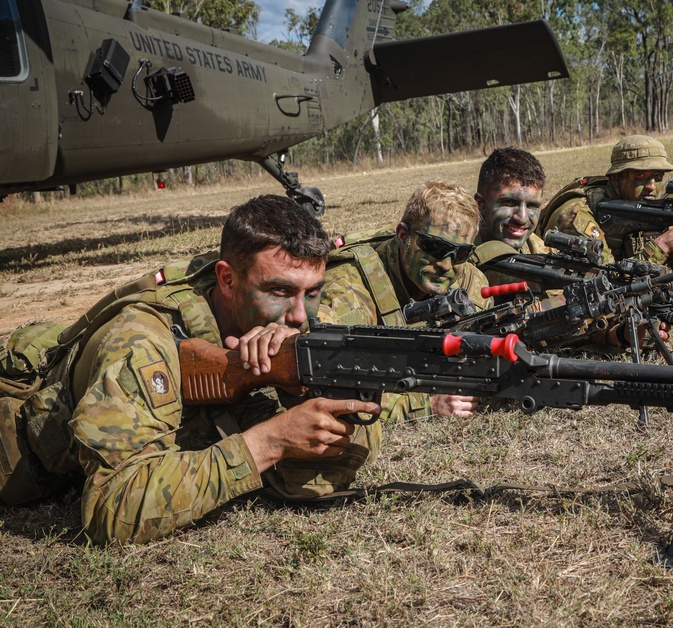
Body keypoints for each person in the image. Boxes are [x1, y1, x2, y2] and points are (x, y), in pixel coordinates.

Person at [35, 195, 379, 544]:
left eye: (313, 292)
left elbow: (336, 466)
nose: (300, 316)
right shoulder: (142, 341)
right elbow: (112, 510)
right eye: (280, 290)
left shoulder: (295, 325)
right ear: (227, 281)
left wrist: (296, 390)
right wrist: (269, 442)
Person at [321, 180, 488, 422]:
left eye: (460, 253)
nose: (446, 264)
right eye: (434, 247)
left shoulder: (471, 283)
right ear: (403, 235)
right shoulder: (351, 294)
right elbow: (327, 384)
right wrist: (424, 404)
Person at [538, 135, 673, 267]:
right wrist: (663, 245)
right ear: (615, 178)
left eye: (658, 177)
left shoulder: (637, 206)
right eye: (641, 176)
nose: (652, 187)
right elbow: (606, 281)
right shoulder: (577, 215)